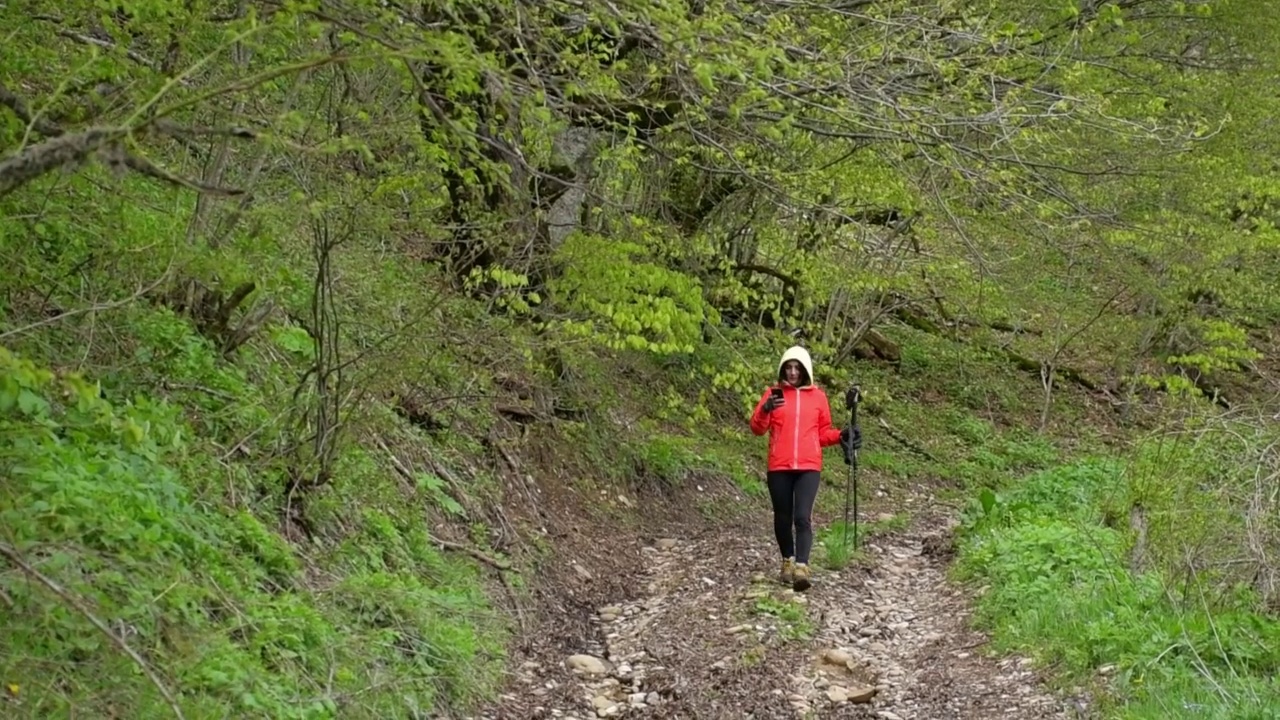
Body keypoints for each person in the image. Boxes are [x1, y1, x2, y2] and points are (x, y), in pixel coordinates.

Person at [749, 345, 860, 592]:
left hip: (809, 466)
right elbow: (757, 429)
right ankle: (787, 560)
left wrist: (841, 435)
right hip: (779, 465)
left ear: (805, 370)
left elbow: (822, 433)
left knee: (802, 517)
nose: (792, 373)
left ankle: (802, 566)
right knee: (782, 517)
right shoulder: (773, 394)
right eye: (788, 368)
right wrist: (765, 409)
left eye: (796, 368)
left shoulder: (818, 397)